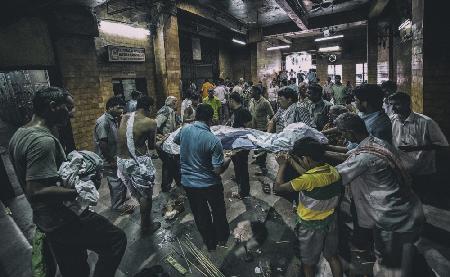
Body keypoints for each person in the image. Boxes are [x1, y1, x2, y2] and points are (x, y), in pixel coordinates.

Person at [9, 87, 126, 277]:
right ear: (53, 106)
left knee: (74, 270)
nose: (72, 114)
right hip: (64, 218)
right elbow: (36, 190)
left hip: (47, 222)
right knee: (116, 240)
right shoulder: (42, 141)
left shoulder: (20, 134)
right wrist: (80, 190)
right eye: (69, 108)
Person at [334, 112, 424, 277]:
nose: (342, 137)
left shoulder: (363, 158)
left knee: (390, 264)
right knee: (407, 255)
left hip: (390, 216)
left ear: (350, 133)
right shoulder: (379, 143)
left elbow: (336, 176)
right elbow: (350, 156)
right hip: (406, 206)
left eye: (342, 134)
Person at [273, 138, 343, 277]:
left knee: (308, 263)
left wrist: (282, 165)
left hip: (310, 226)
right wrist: (292, 161)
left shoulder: (307, 180)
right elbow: (307, 173)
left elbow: (278, 188)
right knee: (332, 257)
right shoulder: (333, 171)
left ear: (306, 159)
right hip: (331, 221)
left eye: (300, 160)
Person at [174, 104, 232, 251]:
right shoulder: (213, 140)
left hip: (189, 184)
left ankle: (209, 242)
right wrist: (229, 158)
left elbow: (176, 141)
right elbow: (218, 170)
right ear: (211, 119)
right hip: (210, 184)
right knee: (218, 211)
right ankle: (222, 237)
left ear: (196, 116)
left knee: (200, 214)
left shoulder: (185, 130)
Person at [389, 92, 449, 199]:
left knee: (422, 201)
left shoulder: (426, 122)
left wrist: (416, 148)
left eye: (397, 104)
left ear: (407, 103)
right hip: (400, 170)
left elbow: (442, 145)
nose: (393, 108)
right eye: (391, 104)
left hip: (421, 171)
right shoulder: (391, 120)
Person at [117, 96, 161, 234]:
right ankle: (146, 226)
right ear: (150, 107)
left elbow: (129, 135)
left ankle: (145, 220)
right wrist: (163, 139)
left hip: (121, 161)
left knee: (136, 192)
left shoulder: (125, 117)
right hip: (137, 163)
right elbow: (152, 145)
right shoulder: (151, 122)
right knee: (146, 195)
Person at [94, 96, 134, 213]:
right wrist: (110, 160)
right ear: (110, 107)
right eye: (119, 108)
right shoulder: (103, 122)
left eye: (123, 108)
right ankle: (117, 205)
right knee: (115, 181)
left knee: (120, 179)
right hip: (108, 158)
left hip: (115, 156)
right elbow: (103, 143)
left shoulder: (113, 119)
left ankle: (121, 199)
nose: (121, 110)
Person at [228, 92, 253, 199]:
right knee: (237, 165)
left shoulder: (243, 111)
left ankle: (244, 192)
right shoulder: (235, 111)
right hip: (235, 143)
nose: (228, 102)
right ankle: (239, 183)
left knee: (242, 167)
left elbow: (249, 126)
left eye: (229, 100)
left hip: (242, 144)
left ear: (232, 100)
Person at [156, 96, 181, 192]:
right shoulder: (165, 111)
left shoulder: (171, 111)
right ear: (172, 102)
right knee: (168, 164)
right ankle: (166, 186)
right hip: (164, 142)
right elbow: (156, 125)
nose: (177, 103)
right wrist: (161, 137)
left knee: (174, 162)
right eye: (175, 102)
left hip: (170, 141)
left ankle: (178, 181)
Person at [248, 85, 274, 175]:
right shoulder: (251, 101)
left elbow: (271, 115)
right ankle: (258, 160)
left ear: (258, 92)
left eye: (252, 91)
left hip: (262, 128)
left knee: (262, 148)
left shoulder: (265, 102)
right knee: (255, 145)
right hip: (253, 127)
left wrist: (269, 129)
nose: (250, 92)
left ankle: (263, 168)